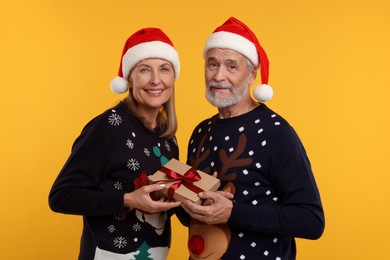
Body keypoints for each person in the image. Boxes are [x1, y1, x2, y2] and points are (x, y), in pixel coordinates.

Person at [180, 17, 325, 260]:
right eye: (212, 64)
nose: (219, 75)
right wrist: (178, 197)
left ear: (252, 74)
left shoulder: (276, 132)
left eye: (232, 66)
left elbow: (311, 220)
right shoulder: (201, 132)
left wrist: (233, 213)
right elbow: (190, 219)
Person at [49, 27, 182, 260]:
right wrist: (127, 200)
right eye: (144, 70)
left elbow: (163, 202)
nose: (156, 80)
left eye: (164, 69)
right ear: (129, 78)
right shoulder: (108, 127)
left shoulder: (167, 137)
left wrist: (195, 195)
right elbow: (61, 196)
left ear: (173, 77)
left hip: (154, 253)